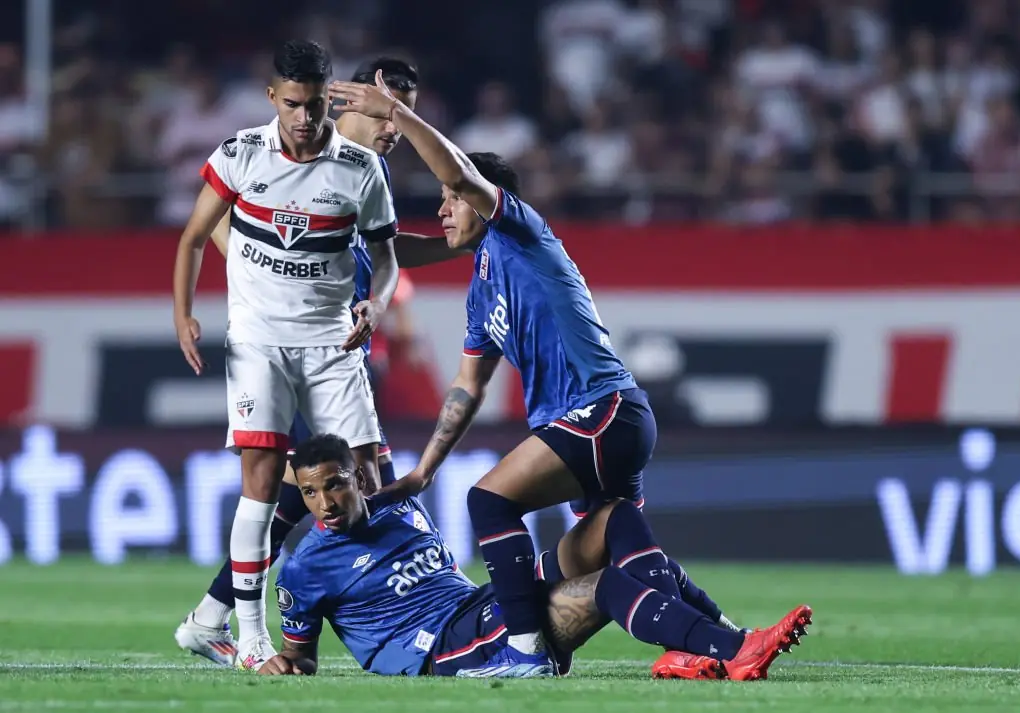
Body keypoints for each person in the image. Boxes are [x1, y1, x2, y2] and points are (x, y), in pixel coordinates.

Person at [330, 74, 745, 677]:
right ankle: (725, 640)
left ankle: (522, 646)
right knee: (616, 534)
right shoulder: (480, 292)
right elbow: (468, 387)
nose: (443, 211)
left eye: (450, 202)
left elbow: (458, 175)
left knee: (489, 502)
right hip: (605, 420)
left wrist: (394, 111)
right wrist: (424, 470)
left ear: (481, 196)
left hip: (599, 409)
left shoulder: (519, 231)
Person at [173, 57, 471, 669]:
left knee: (293, 503)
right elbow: (223, 220)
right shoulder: (287, 159)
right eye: (388, 109)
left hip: (333, 350)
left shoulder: (362, 174)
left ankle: (209, 618)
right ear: (348, 101)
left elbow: (387, 251)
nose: (396, 125)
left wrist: (455, 243)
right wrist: (253, 269)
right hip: (289, 346)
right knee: (366, 483)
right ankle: (422, 602)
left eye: (405, 111)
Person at [258, 434, 812, 680]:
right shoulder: (305, 567)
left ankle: (704, 644)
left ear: (356, 478)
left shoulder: (399, 509)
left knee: (615, 518)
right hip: (448, 648)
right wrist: (286, 663)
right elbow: (302, 655)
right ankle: (734, 649)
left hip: (482, 605)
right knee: (608, 586)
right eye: (310, 493)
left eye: (334, 485)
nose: (325, 503)